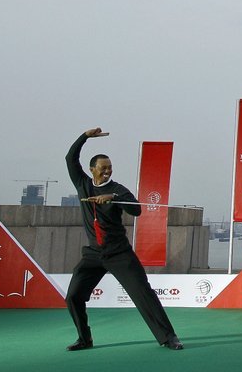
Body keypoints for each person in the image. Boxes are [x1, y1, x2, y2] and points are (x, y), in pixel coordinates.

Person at [64, 127, 184, 351]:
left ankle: (169, 337)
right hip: (93, 254)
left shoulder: (118, 189)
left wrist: (113, 198)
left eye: (110, 168)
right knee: (73, 296)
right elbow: (70, 158)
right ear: (92, 170)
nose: (107, 171)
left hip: (119, 253)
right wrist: (85, 137)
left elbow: (136, 210)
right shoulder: (82, 184)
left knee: (143, 293)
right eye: (103, 168)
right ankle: (84, 339)